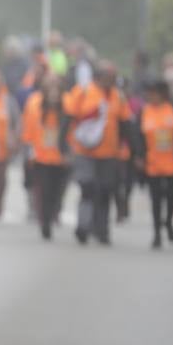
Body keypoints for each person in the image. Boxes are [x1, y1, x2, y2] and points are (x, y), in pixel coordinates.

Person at [64, 61, 132, 245]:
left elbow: (125, 123)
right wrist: (63, 144)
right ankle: (83, 225)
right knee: (87, 188)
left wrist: (132, 148)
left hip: (109, 153)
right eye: (106, 77)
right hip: (84, 151)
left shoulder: (118, 96)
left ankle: (102, 230)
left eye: (112, 78)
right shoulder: (83, 92)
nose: (109, 81)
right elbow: (69, 118)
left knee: (105, 192)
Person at [135, 79, 173, 249]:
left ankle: (168, 221)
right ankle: (157, 234)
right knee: (155, 200)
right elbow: (138, 137)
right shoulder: (144, 112)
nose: (151, 97)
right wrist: (139, 156)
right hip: (152, 164)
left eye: (155, 93)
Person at [20, 72, 70, 240]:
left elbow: (73, 129)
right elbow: (28, 128)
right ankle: (45, 221)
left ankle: (54, 213)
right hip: (40, 156)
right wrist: (28, 151)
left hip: (61, 157)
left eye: (56, 86)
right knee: (43, 191)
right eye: (50, 85)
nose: (53, 90)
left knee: (57, 191)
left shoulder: (68, 103)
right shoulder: (34, 102)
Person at [0, 70, 21, 222]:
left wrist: (15, 138)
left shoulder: (8, 100)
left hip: (3, 148)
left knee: (0, 179)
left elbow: (17, 121)